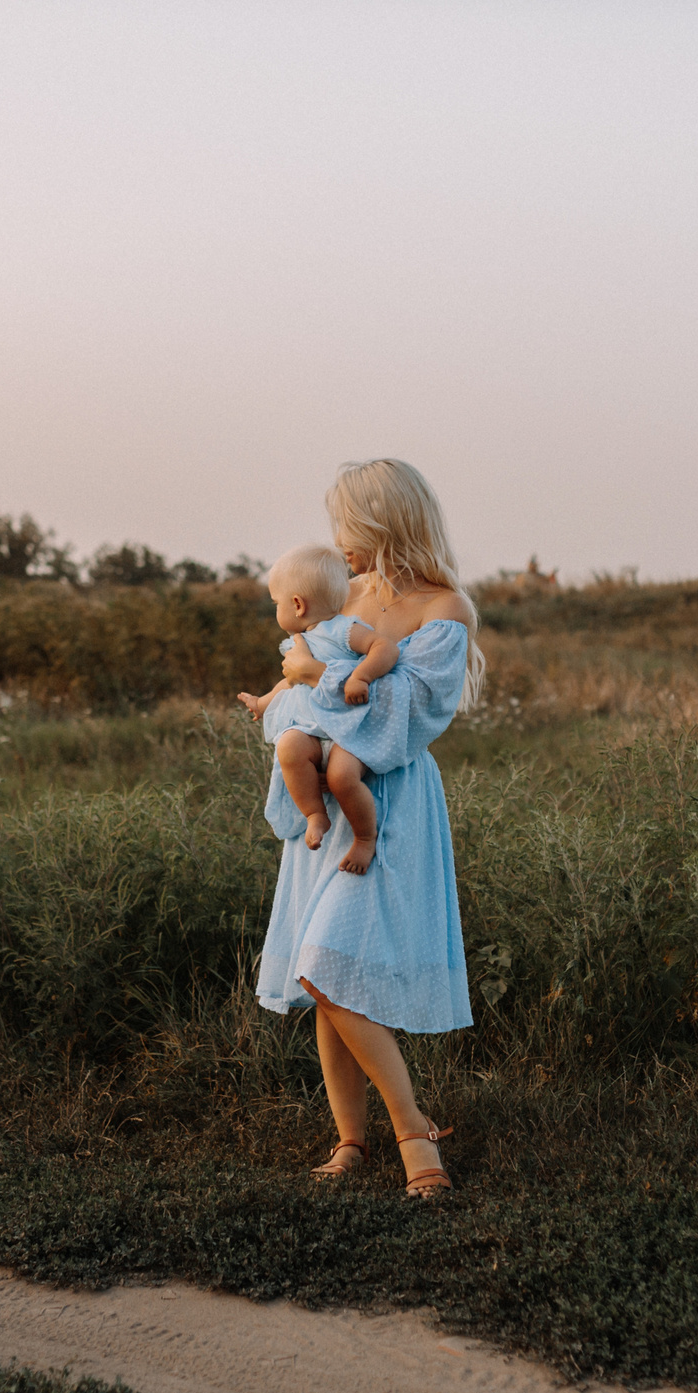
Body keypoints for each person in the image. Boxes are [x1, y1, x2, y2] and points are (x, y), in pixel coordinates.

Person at [243, 459, 485, 1198]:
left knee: (328, 959)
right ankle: (352, 1137)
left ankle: (414, 1132)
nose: (338, 539)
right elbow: (291, 706)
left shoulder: (444, 609)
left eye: (348, 523)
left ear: (384, 520)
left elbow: (405, 717)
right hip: (328, 801)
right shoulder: (339, 598)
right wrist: (306, 699)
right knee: (327, 976)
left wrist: (321, 688)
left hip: (391, 804)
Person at [243, 544, 404, 874]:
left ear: (298, 605)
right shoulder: (298, 644)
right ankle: (315, 813)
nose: (277, 610)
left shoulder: (344, 630)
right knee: (288, 747)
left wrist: (361, 676)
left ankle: (364, 839)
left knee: (342, 776)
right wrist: (262, 702)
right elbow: (291, 682)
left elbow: (385, 648)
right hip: (311, 732)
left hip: (347, 730)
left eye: (277, 603)